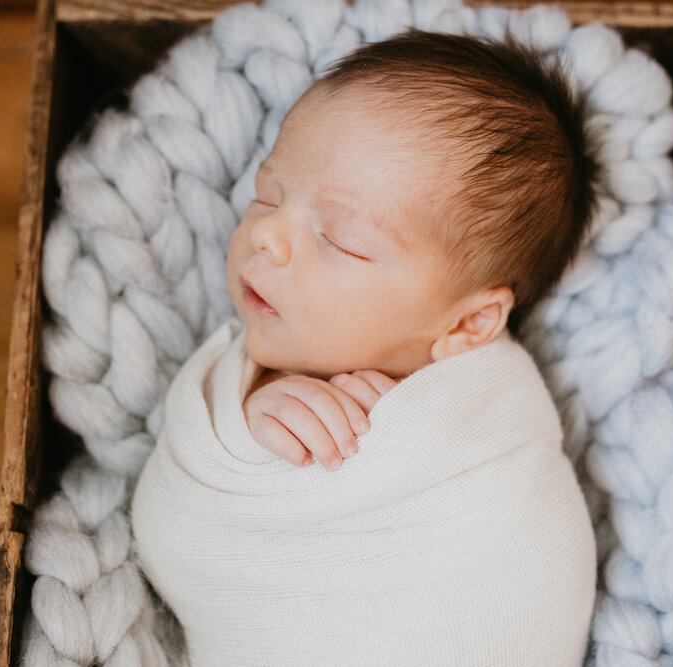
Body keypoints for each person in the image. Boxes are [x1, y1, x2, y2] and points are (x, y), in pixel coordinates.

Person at [132, 28, 600, 666]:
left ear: (469, 326)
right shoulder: (247, 377)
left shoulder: (492, 425)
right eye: (267, 195)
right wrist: (254, 414)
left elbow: (520, 574)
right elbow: (176, 526)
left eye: (343, 239)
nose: (267, 234)